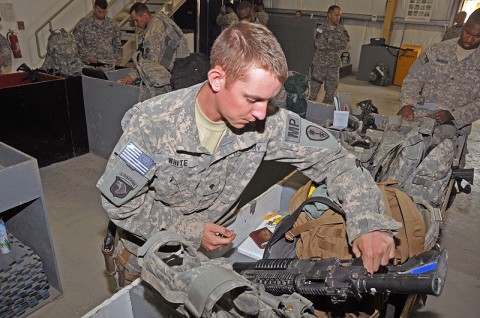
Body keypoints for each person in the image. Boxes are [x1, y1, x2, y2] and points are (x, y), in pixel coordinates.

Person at [97, 22, 400, 287]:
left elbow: (335, 159)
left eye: (268, 101)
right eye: (253, 99)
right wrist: (191, 231)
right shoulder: (153, 125)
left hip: (215, 252)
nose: (261, 113)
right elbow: (121, 204)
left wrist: (367, 221)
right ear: (217, 80)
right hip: (152, 252)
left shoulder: (267, 119)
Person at [398, 8, 480, 166]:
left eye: (477, 37)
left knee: (442, 169)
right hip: (421, 118)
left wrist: (453, 114)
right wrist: (407, 103)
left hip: (454, 128)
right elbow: (414, 78)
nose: (469, 40)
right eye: (467, 33)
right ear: (463, 27)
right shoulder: (437, 50)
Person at [119, 2, 190, 85]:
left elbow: (150, 63)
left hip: (167, 77)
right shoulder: (158, 20)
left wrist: (131, 76)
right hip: (176, 71)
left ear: (144, 15)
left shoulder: (153, 32)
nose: (135, 24)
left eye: (136, 20)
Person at [309, 5, 350, 104]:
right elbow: (319, 44)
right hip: (320, 64)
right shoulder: (320, 29)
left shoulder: (342, 30)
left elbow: (345, 45)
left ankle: (325, 115)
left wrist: (329, 40)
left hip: (333, 66)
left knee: (330, 95)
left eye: (339, 15)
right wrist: (336, 43)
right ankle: (308, 112)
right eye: (336, 15)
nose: (338, 17)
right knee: (313, 93)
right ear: (329, 15)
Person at [73, 0, 122, 71]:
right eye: (99, 11)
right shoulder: (84, 23)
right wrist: (87, 56)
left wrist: (116, 61)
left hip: (108, 65)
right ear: (94, 8)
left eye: (104, 12)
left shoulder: (112, 24)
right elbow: (76, 41)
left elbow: (117, 45)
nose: (102, 14)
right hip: (89, 65)